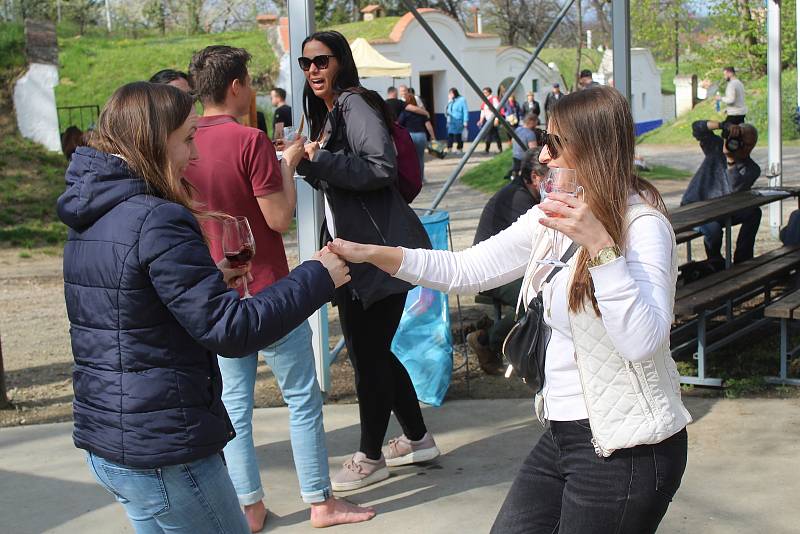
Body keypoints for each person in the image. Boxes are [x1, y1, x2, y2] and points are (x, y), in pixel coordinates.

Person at [328, 85, 691, 534]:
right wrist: (375, 254)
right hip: (566, 433)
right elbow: (468, 268)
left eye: (553, 144)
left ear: (592, 149)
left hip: (629, 447)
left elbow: (643, 341)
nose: (542, 156)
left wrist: (600, 248)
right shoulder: (555, 216)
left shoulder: (643, 227)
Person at [57, 81, 351, 534]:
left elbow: (128, 306)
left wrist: (207, 280)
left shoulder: (91, 214)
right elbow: (230, 330)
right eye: (187, 138)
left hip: (112, 444)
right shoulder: (156, 216)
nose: (194, 154)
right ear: (154, 140)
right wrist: (317, 276)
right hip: (166, 451)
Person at [184, 46, 374, 531]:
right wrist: (286, 164)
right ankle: (320, 500)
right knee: (302, 399)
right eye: (247, 81)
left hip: (215, 295)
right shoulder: (249, 141)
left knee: (234, 407)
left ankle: (249, 505)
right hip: (268, 290)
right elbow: (277, 217)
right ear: (235, 87)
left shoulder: (181, 142)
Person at [295, 30, 439, 492]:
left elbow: (380, 168)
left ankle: (370, 453)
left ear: (341, 62)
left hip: (379, 253)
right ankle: (418, 439)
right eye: (305, 63)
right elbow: (344, 191)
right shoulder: (333, 113)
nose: (313, 70)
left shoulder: (354, 104)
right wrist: (313, 163)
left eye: (322, 60)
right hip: (355, 255)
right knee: (371, 353)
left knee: (369, 355)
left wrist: (318, 162)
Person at [467, 147, 548, 375]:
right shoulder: (518, 200)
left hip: (507, 268)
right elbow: (540, 245)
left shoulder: (522, 194)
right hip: (490, 272)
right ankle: (487, 341)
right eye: (551, 178)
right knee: (536, 302)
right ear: (535, 177)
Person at [681, 120, 760, 267]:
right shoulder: (717, 147)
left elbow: (735, 187)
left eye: (748, 145)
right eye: (740, 141)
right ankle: (715, 262)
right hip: (695, 207)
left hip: (723, 211)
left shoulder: (752, 168)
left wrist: (731, 160)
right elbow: (697, 128)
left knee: (754, 213)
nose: (743, 147)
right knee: (714, 230)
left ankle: (743, 259)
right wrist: (724, 125)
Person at [398, 93, 431, 180]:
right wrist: (433, 136)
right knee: (420, 158)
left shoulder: (404, 112)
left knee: (410, 158)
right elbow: (428, 125)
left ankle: (412, 179)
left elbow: (399, 124)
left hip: (410, 136)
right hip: (421, 135)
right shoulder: (422, 112)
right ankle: (421, 178)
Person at [510, 113, 541, 179]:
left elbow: (512, 141)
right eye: (536, 122)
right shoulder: (530, 133)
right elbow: (533, 150)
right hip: (524, 160)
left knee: (516, 177)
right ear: (531, 121)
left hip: (515, 157)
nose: (536, 125)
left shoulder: (517, 129)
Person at [478, 86, 503, 153]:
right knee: (494, 134)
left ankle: (488, 149)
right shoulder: (484, 100)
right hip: (488, 120)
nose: (484, 94)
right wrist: (481, 120)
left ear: (489, 92)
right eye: (483, 93)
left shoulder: (493, 99)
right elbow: (483, 111)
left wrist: (496, 120)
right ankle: (498, 149)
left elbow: (497, 109)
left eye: (485, 92)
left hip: (493, 119)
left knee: (490, 134)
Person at [445, 87, 469, 155]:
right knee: (450, 135)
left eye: (451, 93)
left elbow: (465, 110)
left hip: (459, 120)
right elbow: (448, 111)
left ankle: (459, 148)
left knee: (458, 135)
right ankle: (449, 148)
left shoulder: (462, 100)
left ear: (454, 93)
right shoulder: (451, 101)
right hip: (451, 121)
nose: (450, 95)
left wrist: (465, 121)